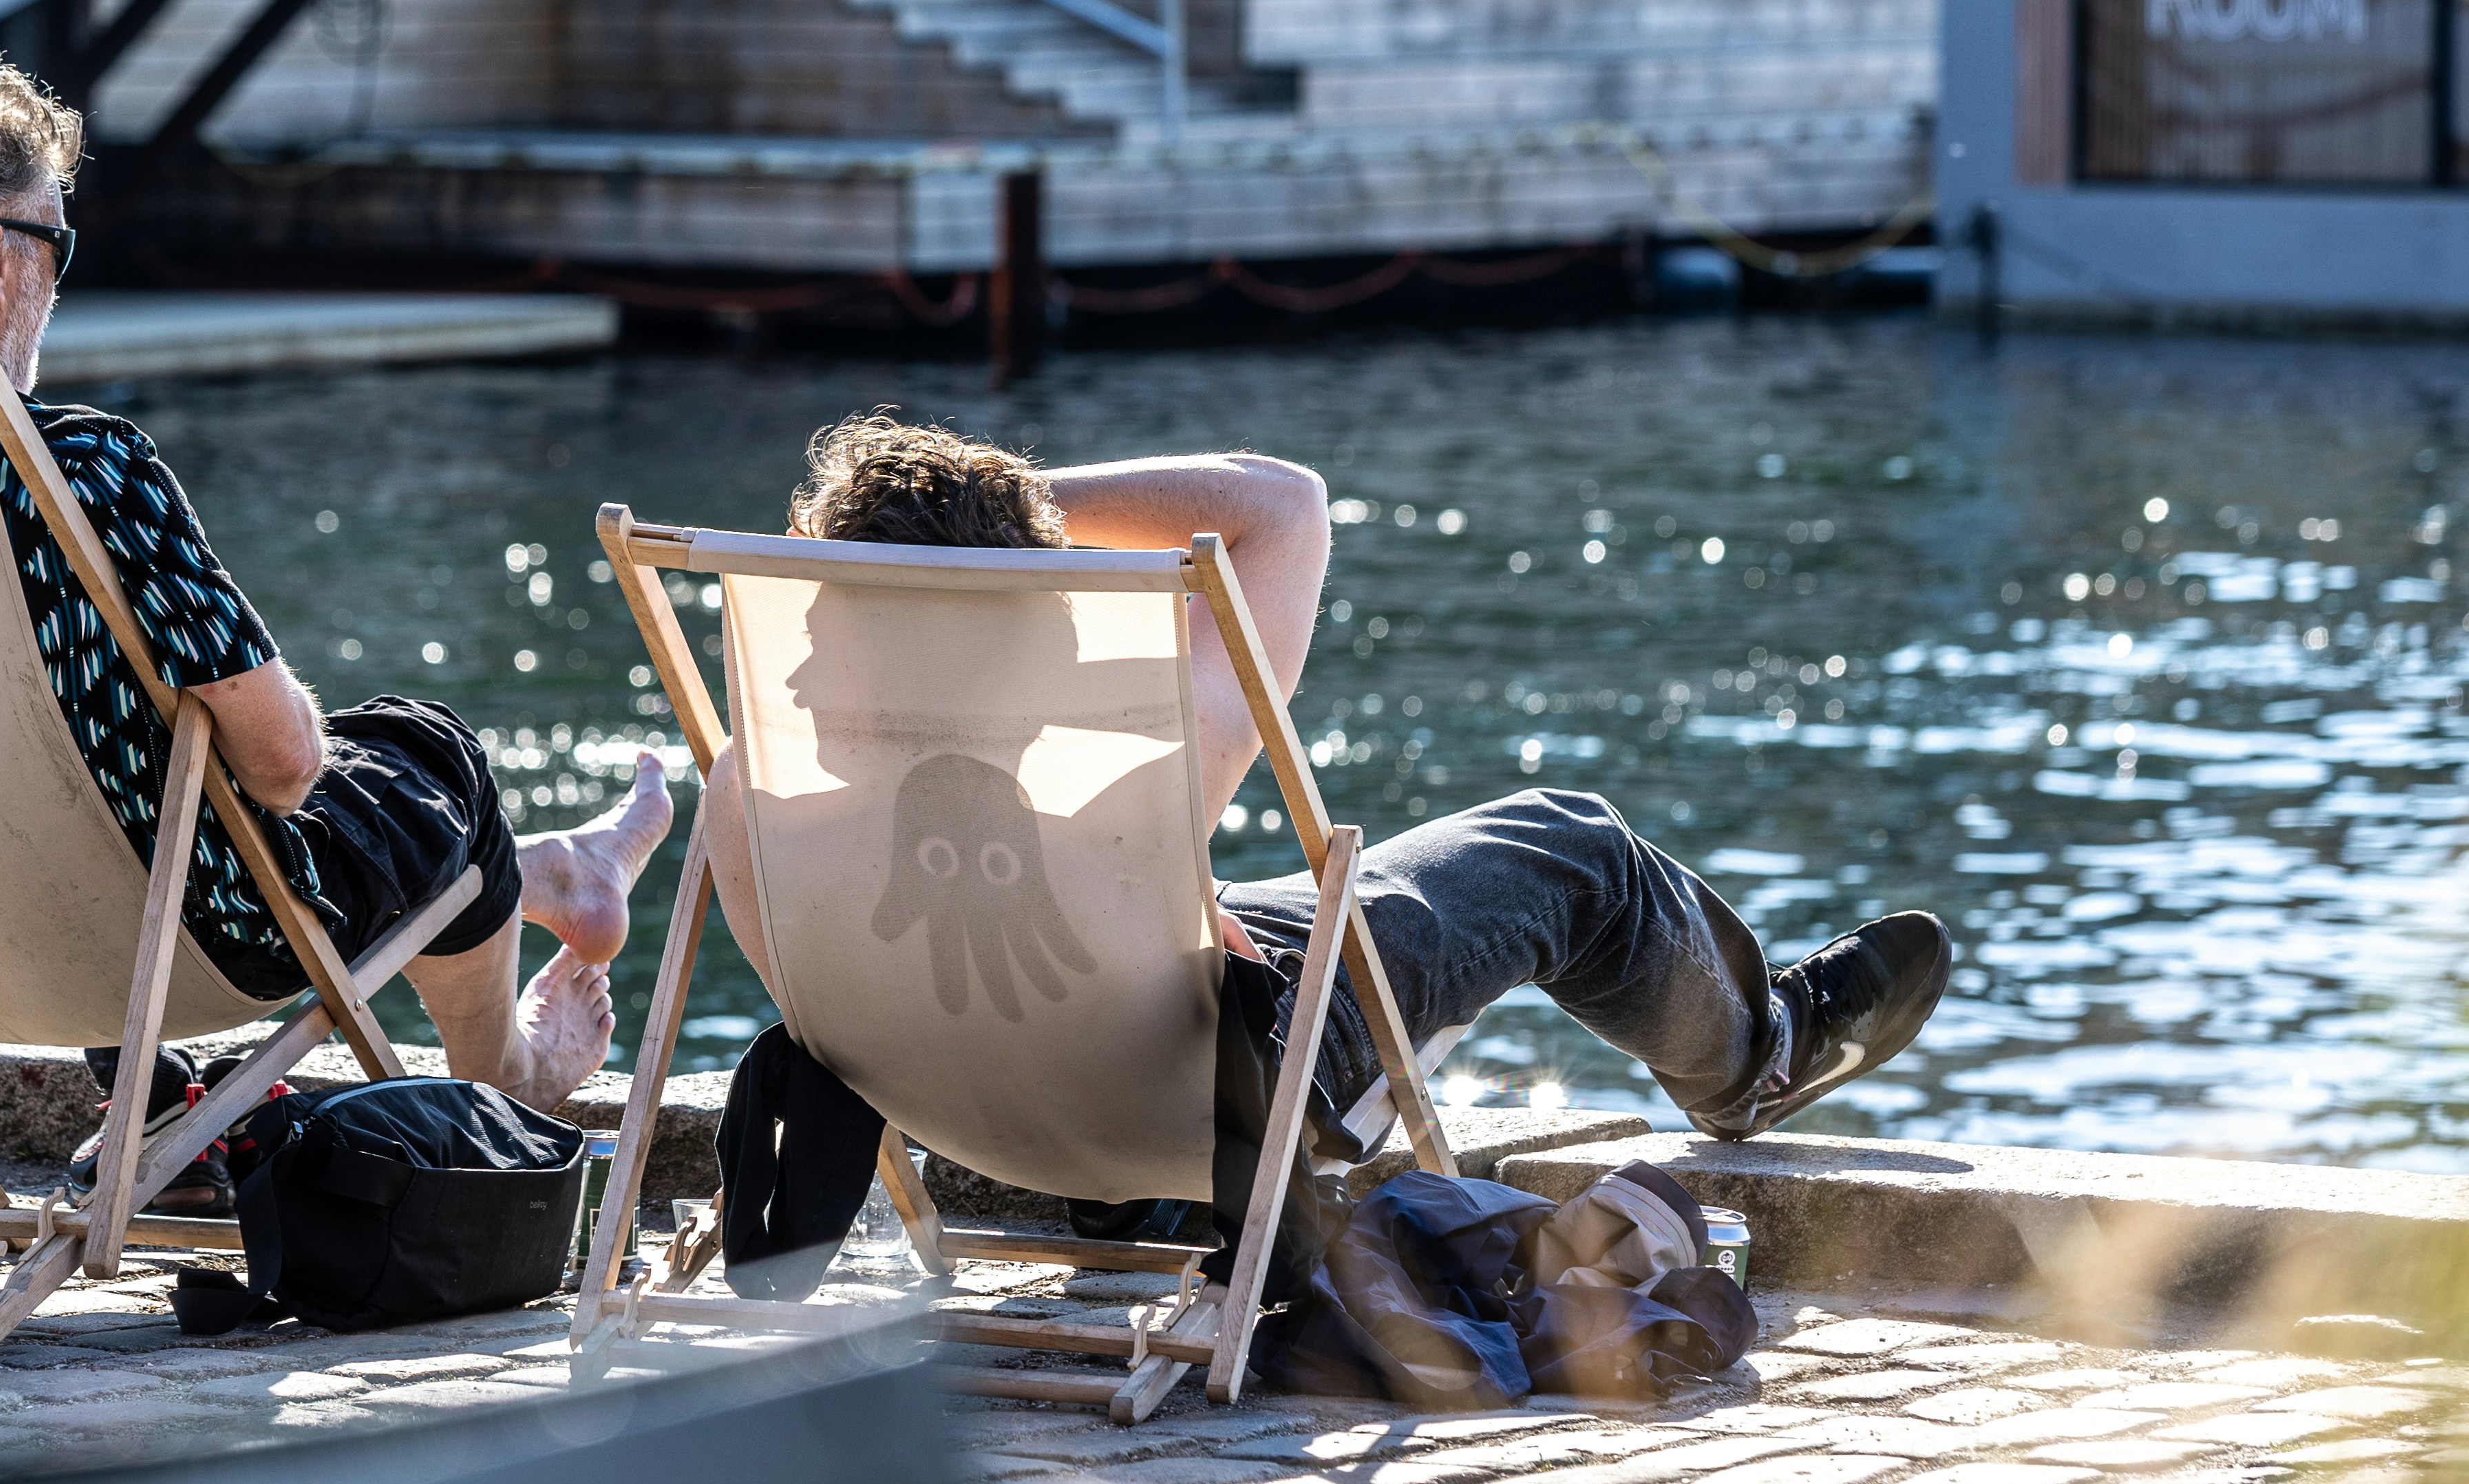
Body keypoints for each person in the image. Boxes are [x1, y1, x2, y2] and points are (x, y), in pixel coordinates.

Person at [0, 53, 672, 1111]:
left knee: (100, 781)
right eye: (55, 248)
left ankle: (160, 1105)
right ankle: (510, 1083)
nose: (55, 283)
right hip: (159, 946)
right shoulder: (84, 473)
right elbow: (286, 769)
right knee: (430, 760)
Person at [701, 413, 1952, 1147]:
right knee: (1571, 847)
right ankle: (1758, 1059)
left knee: (1213, 902)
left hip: (970, 1119)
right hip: (1208, 1113)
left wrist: (894, 560)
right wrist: (1018, 516)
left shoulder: (752, 795)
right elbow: (1282, 506)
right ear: (1024, 615)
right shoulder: (1145, 783)